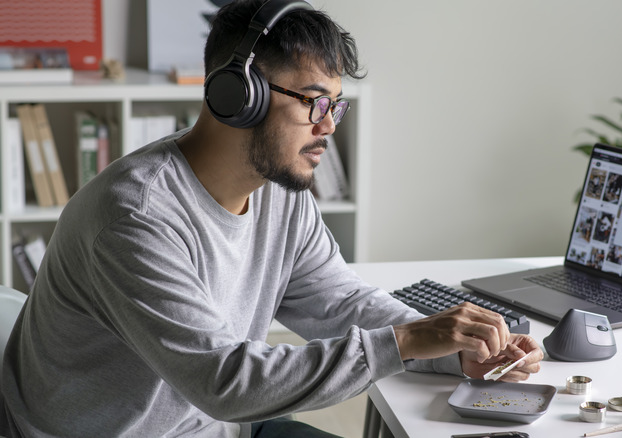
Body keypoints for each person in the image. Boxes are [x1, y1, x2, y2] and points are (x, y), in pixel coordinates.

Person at [0, 1, 543, 437]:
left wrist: (461, 350)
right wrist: (404, 343)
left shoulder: (281, 192)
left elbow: (340, 304)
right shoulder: (135, 217)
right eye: (314, 102)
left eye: (336, 105)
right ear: (238, 96)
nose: (329, 126)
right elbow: (227, 384)